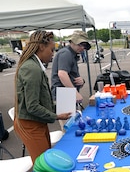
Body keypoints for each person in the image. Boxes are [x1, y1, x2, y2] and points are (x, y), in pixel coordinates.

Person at [14, 30, 71, 163]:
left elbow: (41, 100)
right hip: (31, 124)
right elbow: (32, 106)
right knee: (44, 165)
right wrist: (56, 116)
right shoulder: (32, 69)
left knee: (47, 159)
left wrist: (59, 107)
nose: (53, 54)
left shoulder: (35, 66)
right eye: (51, 50)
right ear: (41, 47)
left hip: (37, 122)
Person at [51, 30, 91, 103]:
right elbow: (62, 74)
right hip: (63, 95)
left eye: (84, 45)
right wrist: (74, 93)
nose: (82, 47)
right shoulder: (66, 53)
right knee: (67, 114)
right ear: (72, 42)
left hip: (66, 93)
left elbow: (70, 75)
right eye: (79, 44)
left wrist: (81, 81)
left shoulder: (72, 54)